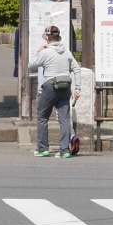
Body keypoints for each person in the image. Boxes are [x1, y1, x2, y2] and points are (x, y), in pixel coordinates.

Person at [28, 25, 76, 158]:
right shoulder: (67, 52)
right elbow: (76, 69)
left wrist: (38, 52)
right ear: (59, 37)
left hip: (50, 86)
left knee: (43, 117)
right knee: (64, 119)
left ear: (48, 38)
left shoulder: (45, 52)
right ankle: (65, 150)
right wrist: (78, 88)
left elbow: (31, 65)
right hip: (65, 85)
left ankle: (43, 148)